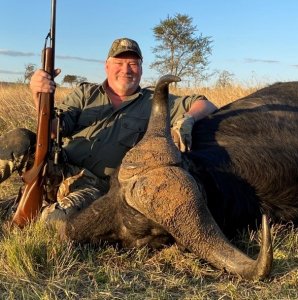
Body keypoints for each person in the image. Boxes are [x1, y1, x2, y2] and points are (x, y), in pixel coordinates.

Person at [0, 38, 217, 223]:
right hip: (58, 166)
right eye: (119, 63)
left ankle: (27, 209)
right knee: (19, 139)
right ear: (106, 65)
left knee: (55, 223)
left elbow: (206, 104)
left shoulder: (156, 101)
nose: (126, 70)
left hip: (96, 187)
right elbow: (54, 131)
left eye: (133, 63)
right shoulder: (85, 93)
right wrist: (39, 96)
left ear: (141, 68)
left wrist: (187, 120)